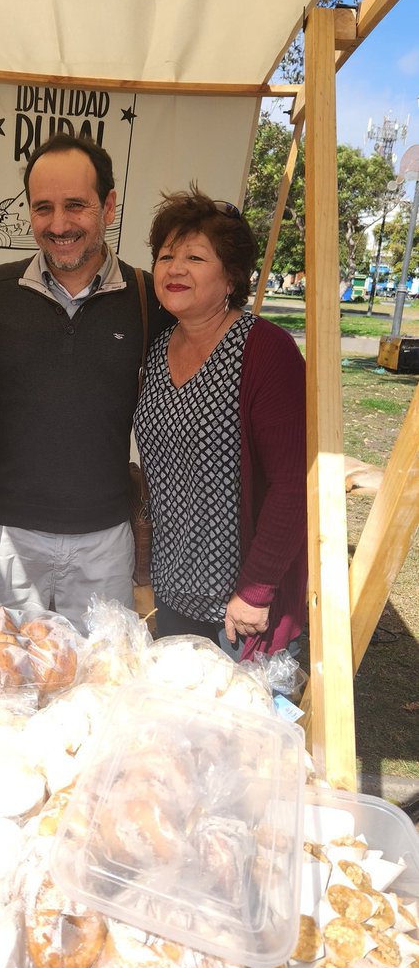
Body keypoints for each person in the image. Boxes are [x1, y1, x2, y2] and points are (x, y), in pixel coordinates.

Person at [0, 133, 169, 629]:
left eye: (76, 205)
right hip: (5, 538)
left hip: (104, 539)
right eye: (43, 208)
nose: (59, 225)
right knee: (1, 684)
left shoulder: (148, 298)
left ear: (109, 206)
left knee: (100, 684)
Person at [133, 185, 307, 659]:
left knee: (238, 726)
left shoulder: (265, 350)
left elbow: (294, 484)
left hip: (241, 609)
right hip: (173, 591)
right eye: (166, 256)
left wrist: (256, 589)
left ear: (231, 277)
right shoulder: (159, 346)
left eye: (195, 256)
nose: (175, 268)